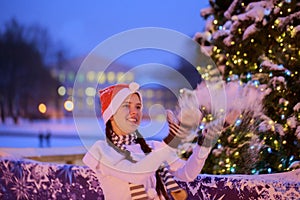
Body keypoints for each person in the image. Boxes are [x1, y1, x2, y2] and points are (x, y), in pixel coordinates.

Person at [83, 82, 233, 200]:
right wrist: (170, 142)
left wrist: (204, 142)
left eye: (138, 106)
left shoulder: (152, 147)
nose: (135, 111)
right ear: (111, 115)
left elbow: (187, 174)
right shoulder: (101, 151)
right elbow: (135, 174)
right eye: (126, 106)